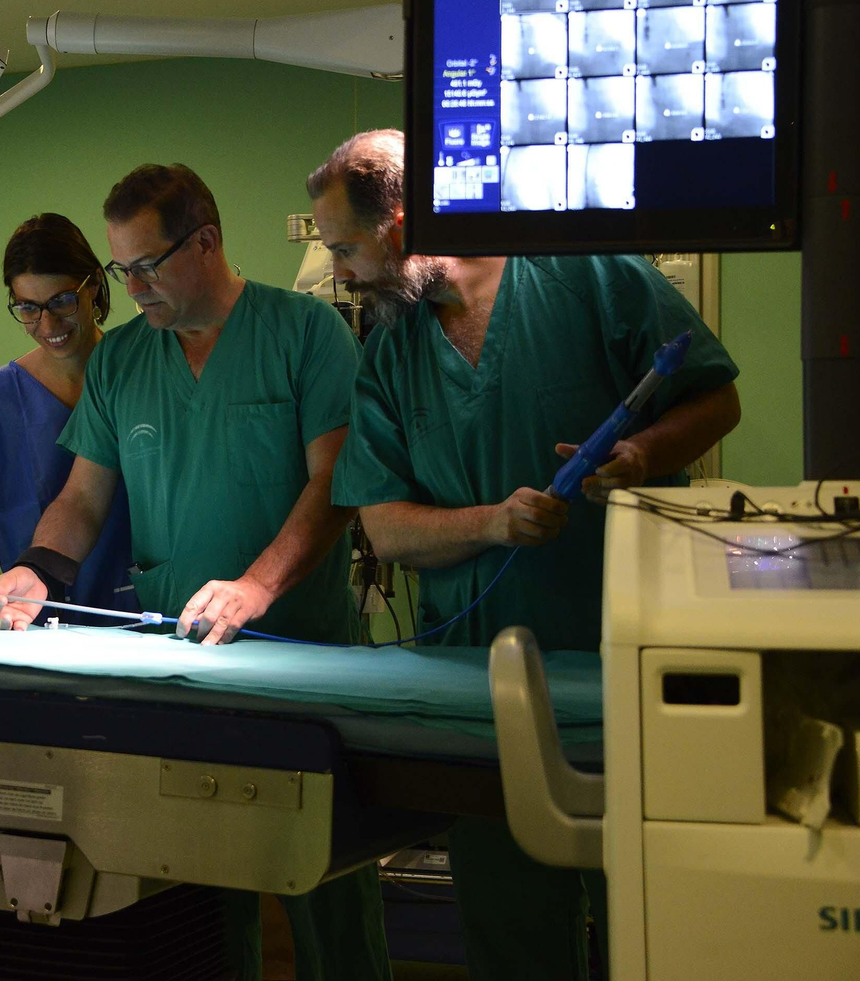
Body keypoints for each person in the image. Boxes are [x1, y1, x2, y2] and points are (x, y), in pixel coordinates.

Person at [310, 129, 742, 981]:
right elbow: (385, 527)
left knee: (650, 931)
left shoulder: (581, 269)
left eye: (344, 249)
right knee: (512, 935)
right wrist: (491, 524)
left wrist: (642, 457)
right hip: (480, 701)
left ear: (401, 223)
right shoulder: (393, 350)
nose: (342, 274)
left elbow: (716, 397)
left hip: (624, 678)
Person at [0, 164, 390, 980]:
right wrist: (38, 569)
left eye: (146, 266)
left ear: (206, 243)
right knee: (203, 906)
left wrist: (257, 586)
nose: (130, 289)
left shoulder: (304, 334)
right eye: (121, 270)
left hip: (300, 663)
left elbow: (335, 485)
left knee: (327, 890)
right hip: (187, 670)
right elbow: (84, 497)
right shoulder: (124, 362)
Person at [0, 213, 138, 623]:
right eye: (28, 307)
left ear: (93, 284)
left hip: (143, 618)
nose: (48, 324)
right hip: (35, 620)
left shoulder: (140, 377)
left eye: (61, 301)